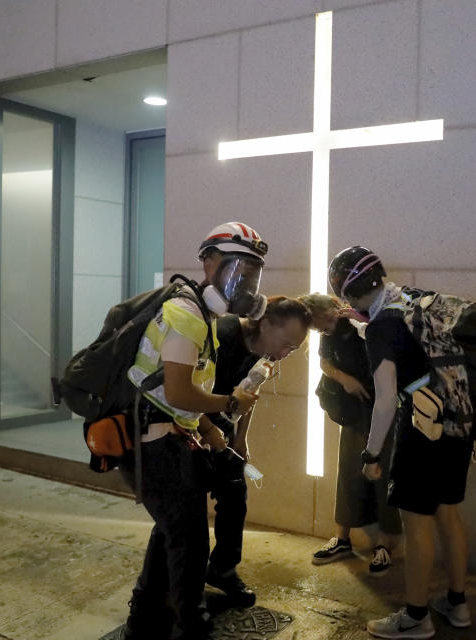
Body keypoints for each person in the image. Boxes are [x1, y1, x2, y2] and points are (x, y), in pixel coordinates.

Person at [123, 222, 268, 640]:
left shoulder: (200, 314)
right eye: (235, 267)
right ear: (207, 262)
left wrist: (204, 424)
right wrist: (229, 404)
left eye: (252, 272)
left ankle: (143, 620)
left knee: (170, 532)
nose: (244, 281)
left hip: (166, 438)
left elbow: (181, 394)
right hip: (154, 443)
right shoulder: (187, 313)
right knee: (188, 544)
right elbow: (178, 390)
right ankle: (191, 625)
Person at [328, 246, 475, 639]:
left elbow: (386, 399)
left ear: (347, 292)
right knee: (449, 513)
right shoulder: (411, 300)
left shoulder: (382, 327)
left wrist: (372, 454)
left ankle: (416, 617)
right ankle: (458, 606)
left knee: (417, 522)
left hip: (421, 430)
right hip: (457, 421)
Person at [202, 296, 312, 607]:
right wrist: (208, 431)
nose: (286, 353)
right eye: (287, 343)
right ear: (264, 324)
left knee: (235, 498)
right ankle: (179, 585)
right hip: (186, 426)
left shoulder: (267, 353)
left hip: (223, 430)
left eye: (294, 349)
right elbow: (184, 391)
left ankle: (222, 569)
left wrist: (241, 438)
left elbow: (251, 390)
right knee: (186, 514)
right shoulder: (220, 334)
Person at [299, 293, 401, 576]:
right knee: (349, 471)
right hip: (356, 410)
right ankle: (342, 538)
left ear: (333, 310)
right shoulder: (328, 332)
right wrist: (345, 380)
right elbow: (324, 362)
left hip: (385, 406)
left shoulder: (361, 322)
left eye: (325, 323)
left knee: (384, 472)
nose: (323, 330)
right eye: (318, 328)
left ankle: (384, 544)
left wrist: (358, 322)